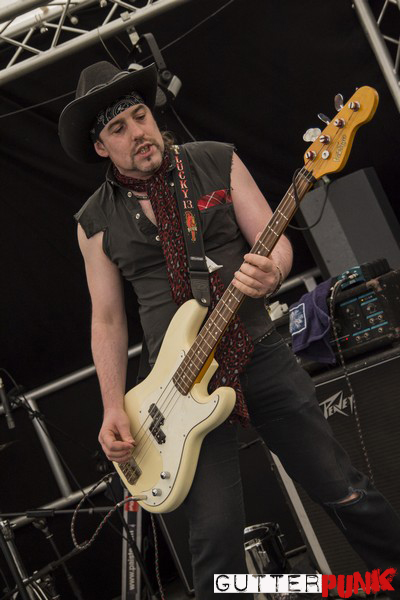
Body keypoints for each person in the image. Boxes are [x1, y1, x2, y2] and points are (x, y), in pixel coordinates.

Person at [59, 61, 400, 599]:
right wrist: (111, 407)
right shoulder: (94, 221)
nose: (138, 132)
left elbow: (275, 239)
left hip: (259, 351)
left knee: (343, 489)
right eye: (118, 128)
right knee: (214, 538)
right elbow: (107, 319)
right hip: (176, 387)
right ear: (101, 146)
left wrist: (275, 270)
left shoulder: (216, 159)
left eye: (140, 116)